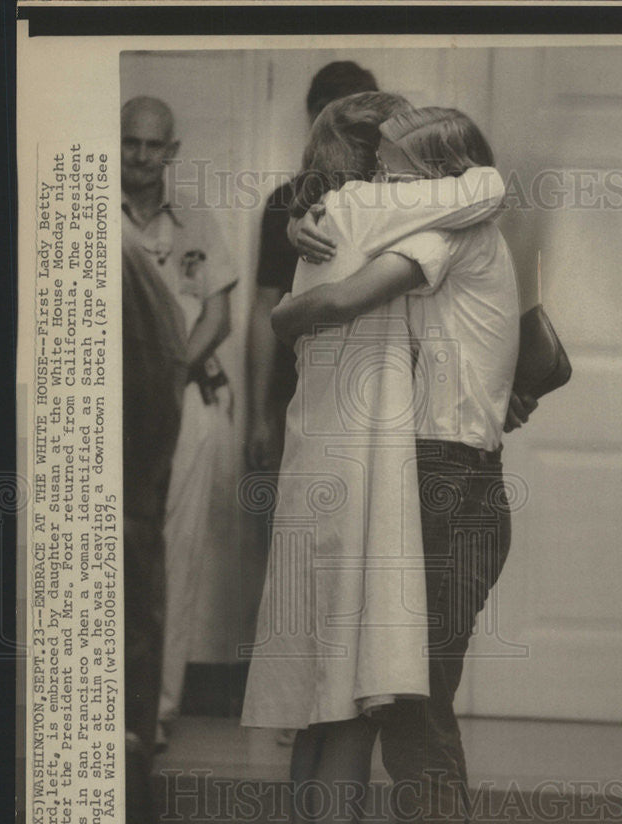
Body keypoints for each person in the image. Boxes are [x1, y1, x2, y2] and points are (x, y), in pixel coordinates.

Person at [240, 92, 509, 824]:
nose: (390, 171)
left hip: (370, 467)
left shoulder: (355, 219)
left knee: (346, 702)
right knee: (364, 701)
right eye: (384, 156)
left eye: (404, 162)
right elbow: (484, 187)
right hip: (385, 474)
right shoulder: (387, 216)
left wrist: (288, 292)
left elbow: (320, 306)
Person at [244, 61, 379, 746]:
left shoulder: (401, 194)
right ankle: (297, 708)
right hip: (301, 400)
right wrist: (258, 413)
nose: (343, 132)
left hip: (371, 406)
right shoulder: (285, 203)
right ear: (314, 120)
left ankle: (349, 704)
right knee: (297, 556)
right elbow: (266, 309)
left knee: (361, 559)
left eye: (357, 116)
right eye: (332, 114)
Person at [119, 96, 239, 748]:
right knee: (113, 550)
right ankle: (107, 706)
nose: (139, 157)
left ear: (172, 151)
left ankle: (156, 709)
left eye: (151, 145)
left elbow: (218, 317)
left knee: (174, 549)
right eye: (128, 143)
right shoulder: (90, 215)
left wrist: (170, 374)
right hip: (108, 407)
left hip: (183, 398)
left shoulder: (195, 221)